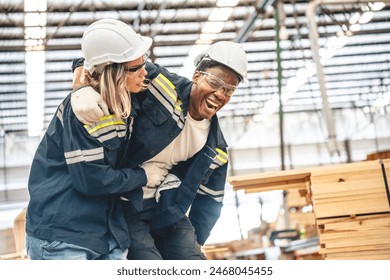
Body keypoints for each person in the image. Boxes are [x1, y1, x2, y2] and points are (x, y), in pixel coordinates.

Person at [71, 40, 248, 259]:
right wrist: (81, 87)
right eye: (215, 82)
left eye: (228, 89)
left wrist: (192, 244)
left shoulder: (216, 149)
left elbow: (210, 202)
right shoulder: (162, 85)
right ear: (197, 76)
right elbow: (106, 59)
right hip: (129, 204)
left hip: (169, 210)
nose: (220, 94)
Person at [25, 19, 167, 260]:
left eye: (145, 62)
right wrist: (143, 176)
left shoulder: (129, 83)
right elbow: (90, 180)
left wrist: (79, 82)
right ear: (114, 73)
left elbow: (87, 62)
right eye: (136, 67)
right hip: (63, 236)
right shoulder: (84, 112)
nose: (146, 71)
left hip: (105, 232)